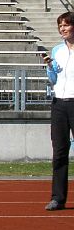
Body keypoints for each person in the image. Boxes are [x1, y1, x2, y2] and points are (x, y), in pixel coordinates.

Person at [43, 11, 74, 211]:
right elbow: (53, 80)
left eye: (66, 25)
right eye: (60, 25)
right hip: (59, 104)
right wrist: (50, 68)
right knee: (60, 152)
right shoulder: (57, 50)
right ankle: (57, 198)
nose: (62, 29)